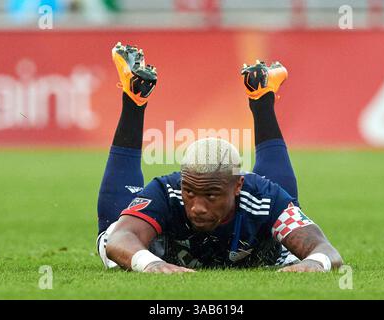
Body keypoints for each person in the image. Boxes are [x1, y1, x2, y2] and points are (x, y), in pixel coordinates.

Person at [96, 42, 343, 273]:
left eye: (211, 195)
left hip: (265, 230)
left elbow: (326, 250)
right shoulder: (166, 192)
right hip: (161, 252)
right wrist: (149, 264)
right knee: (110, 239)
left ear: (238, 186)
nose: (197, 207)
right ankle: (134, 98)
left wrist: (315, 263)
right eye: (190, 192)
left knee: (286, 215)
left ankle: (262, 99)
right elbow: (119, 240)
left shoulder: (264, 198)